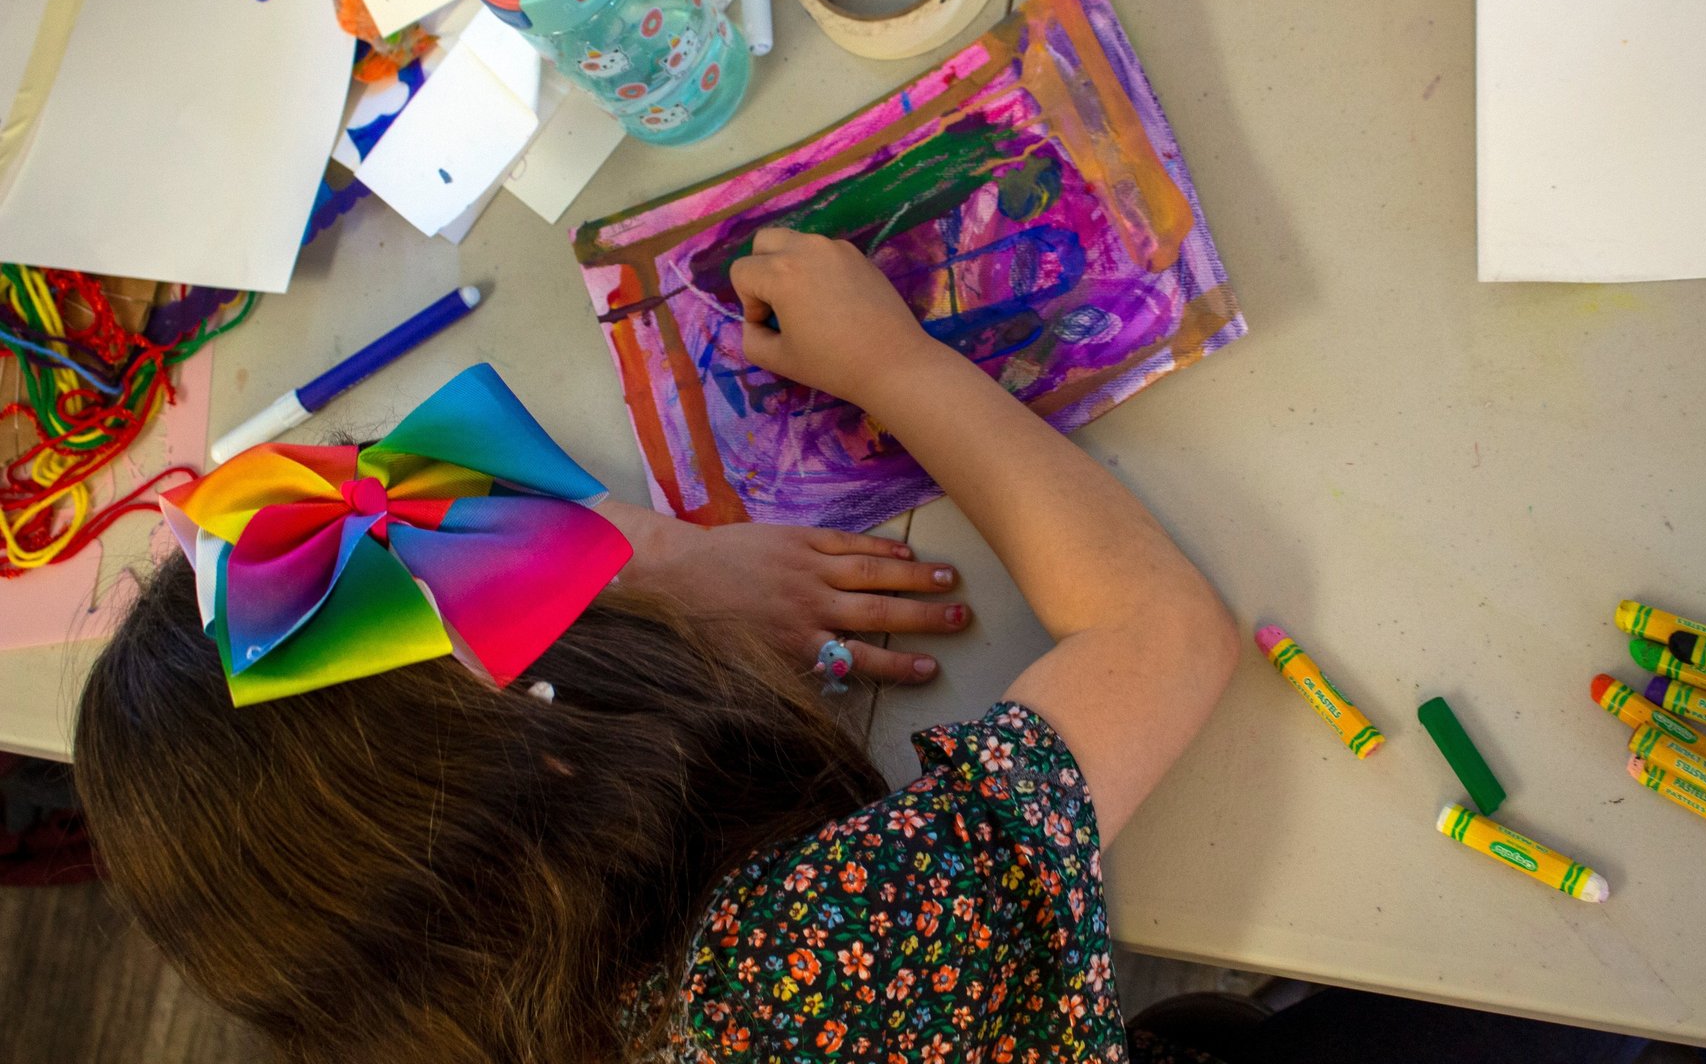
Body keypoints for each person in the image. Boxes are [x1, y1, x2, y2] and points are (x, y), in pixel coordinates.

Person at [73, 227, 1243, 1064]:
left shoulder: (437, 996)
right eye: (534, 582)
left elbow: (319, 542)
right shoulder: (808, 961)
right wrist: (891, 364)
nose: (523, 534)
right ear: (560, 756)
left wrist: (660, 572)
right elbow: (1161, 630)